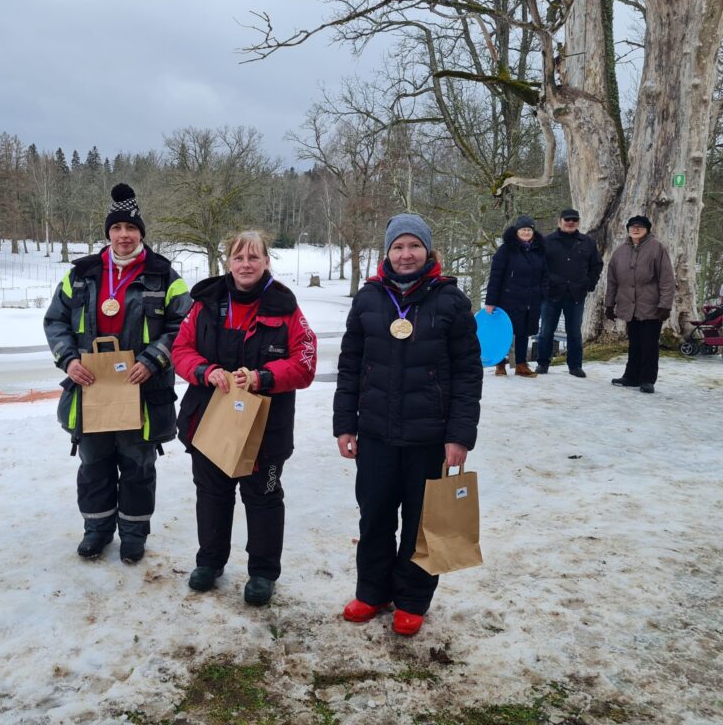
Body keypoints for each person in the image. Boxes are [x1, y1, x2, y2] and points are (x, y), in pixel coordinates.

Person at [334, 213, 482, 636]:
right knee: (375, 517)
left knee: (421, 522)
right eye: (397, 247)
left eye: (413, 246)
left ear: (427, 251)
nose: (405, 254)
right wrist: (345, 425)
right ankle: (372, 591)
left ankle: (412, 599)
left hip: (430, 439)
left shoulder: (450, 302)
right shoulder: (369, 299)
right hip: (376, 434)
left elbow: (469, 373)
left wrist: (459, 435)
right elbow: (350, 367)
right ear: (387, 252)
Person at [44, 183, 192, 563]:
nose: (124, 236)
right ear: (108, 233)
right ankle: (96, 530)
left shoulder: (165, 277)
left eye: (131, 229)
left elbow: (185, 325)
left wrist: (153, 359)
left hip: (140, 390)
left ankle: (133, 534)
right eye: (117, 229)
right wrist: (68, 360)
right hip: (90, 387)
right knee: (93, 463)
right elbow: (55, 321)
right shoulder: (81, 275)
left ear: (141, 233)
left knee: (138, 464)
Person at [172, 231, 317, 607]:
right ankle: (210, 562)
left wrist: (263, 377)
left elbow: (305, 363)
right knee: (212, 493)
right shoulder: (205, 303)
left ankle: (263, 573)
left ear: (267, 262)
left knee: (264, 498)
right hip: (209, 418)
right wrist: (205, 371)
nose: (246, 265)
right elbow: (181, 349)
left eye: (254, 257)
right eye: (239, 257)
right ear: (228, 262)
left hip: (266, 426)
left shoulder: (285, 307)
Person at [605, 215, 675, 394]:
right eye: (632, 226)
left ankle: (647, 379)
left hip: (651, 305)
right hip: (628, 305)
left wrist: (665, 305)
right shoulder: (620, 252)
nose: (636, 229)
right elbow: (612, 280)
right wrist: (609, 304)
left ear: (647, 229)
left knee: (649, 344)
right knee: (634, 342)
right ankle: (631, 376)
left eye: (640, 227)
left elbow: (667, 280)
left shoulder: (657, 248)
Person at [535, 208, 604, 377]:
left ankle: (575, 366)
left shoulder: (587, 242)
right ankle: (542, 363)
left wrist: (589, 283)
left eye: (574, 219)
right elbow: (539, 266)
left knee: (574, 332)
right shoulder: (546, 241)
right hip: (552, 293)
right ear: (559, 221)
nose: (570, 222)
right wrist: (548, 282)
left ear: (578, 222)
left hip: (576, 294)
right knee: (546, 331)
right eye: (567, 219)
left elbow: (596, 265)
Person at [484, 215, 548, 377]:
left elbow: (545, 275)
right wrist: (491, 301)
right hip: (508, 298)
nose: (526, 232)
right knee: (503, 332)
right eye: (523, 229)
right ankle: (500, 364)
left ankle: (521, 365)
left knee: (524, 332)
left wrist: (543, 292)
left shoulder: (539, 250)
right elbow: (495, 276)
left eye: (529, 229)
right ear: (517, 231)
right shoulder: (505, 250)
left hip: (531, 299)